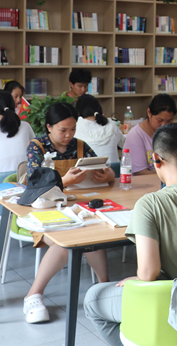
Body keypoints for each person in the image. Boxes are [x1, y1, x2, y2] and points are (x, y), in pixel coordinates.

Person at [84, 124, 177, 346]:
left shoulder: (150, 204)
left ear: (155, 159)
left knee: (93, 299)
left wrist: (136, 280)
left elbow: (148, 273)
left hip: (174, 303)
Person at [23, 102, 115, 324]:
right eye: (63, 130)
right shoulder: (37, 147)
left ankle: (104, 288)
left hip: (78, 209)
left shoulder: (80, 146)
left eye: (72, 129)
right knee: (64, 242)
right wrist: (64, 181)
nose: (68, 135)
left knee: (93, 235)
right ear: (49, 127)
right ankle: (33, 295)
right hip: (44, 211)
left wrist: (108, 175)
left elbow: (106, 168)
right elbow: (35, 186)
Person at [123, 94, 177, 175]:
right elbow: (140, 172)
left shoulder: (172, 133)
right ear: (149, 113)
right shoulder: (135, 135)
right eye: (159, 120)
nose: (164, 125)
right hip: (146, 181)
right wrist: (171, 176)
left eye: (169, 121)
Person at [74, 94, 125, 165]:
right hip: (113, 170)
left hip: (89, 170)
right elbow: (124, 144)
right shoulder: (111, 124)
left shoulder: (76, 126)